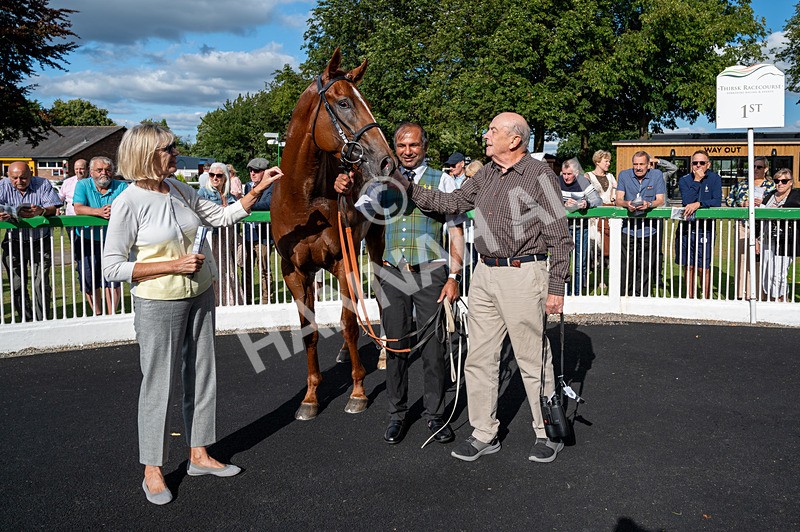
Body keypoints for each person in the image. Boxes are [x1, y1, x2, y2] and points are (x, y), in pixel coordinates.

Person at [339, 113, 573, 463]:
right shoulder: (487, 174)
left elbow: (560, 235)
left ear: (514, 140)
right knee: (478, 358)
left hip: (523, 273)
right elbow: (451, 204)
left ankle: (546, 432)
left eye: (493, 130)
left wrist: (556, 287)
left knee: (531, 358)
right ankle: (483, 432)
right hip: (484, 274)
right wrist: (410, 187)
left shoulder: (540, 176)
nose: (486, 135)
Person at [102, 124, 282, 505]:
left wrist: (259, 187)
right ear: (148, 154)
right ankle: (153, 469)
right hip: (157, 301)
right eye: (168, 148)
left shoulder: (181, 190)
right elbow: (112, 268)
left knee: (203, 374)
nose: (175, 152)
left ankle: (199, 454)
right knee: (158, 383)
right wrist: (172, 266)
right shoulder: (128, 202)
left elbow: (220, 217)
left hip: (199, 294)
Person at [337, 122, 465, 446]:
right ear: (395, 149)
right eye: (403, 146)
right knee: (394, 346)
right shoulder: (380, 184)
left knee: (434, 348)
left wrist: (454, 276)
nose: (408, 151)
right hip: (392, 273)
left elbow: (456, 232)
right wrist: (342, 192)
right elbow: (354, 220)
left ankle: (435, 415)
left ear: (424, 146)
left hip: (431, 272)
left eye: (414, 145)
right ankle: (397, 414)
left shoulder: (444, 180)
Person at [0, 161, 62, 322]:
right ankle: (25, 320)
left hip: (40, 240)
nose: (19, 181)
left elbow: (53, 207)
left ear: (31, 174)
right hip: (14, 240)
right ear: (8, 176)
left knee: (41, 284)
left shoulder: (42, 183)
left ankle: (42, 320)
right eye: (15, 178)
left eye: (23, 177)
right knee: (17, 284)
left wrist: (41, 210)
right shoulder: (3, 185)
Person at [72, 157, 128, 315]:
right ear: (91, 172)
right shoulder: (82, 184)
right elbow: (78, 208)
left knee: (113, 278)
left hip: (113, 239)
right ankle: (97, 313)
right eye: (99, 170)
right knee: (88, 277)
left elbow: (129, 207)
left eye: (108, 170)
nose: (104, 173)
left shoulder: (122, 186)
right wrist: (99, 212)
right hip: (86, 239)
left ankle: (111, 314)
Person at [616, 151, 666, 297]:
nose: (638, 167)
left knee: (645, 264)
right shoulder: (624, 175)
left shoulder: (656, 175)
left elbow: (660, 199)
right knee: (626, 264)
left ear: (648, 165)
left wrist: (648, 204)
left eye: (641, 164)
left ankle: (642, 296)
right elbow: (618, 199)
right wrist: (627, 203)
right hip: (628, 228)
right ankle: (624, 295)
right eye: (635, 164)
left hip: (649, 228)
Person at [726, 156, 775, 299]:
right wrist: (741, 204)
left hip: (763, 227)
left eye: (759, 167)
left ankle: (760, 293)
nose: (755, 169)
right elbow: (729, 200)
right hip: (743, 225)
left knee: (760, 259)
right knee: (741, 258)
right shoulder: (742, 185)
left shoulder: (771, 186)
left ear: (765, 169)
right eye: (752, 166)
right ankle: (742, 293)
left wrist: (763, 203)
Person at [676, 150, 722, 299]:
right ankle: (690, 297)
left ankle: (705, 298)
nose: (698, 166)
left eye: (702, 163)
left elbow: (716, 201)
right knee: (689, 266)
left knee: (704, 267)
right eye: (695, 163)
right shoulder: (684, 180)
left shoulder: (715, 178)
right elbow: (686, 201)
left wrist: (699, 204)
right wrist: (696, 181)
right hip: (686, 229)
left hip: (706, 229)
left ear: (708, 164)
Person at [198, 162, 244, 306]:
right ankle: (214, 301)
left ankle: (230, 300)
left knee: (228, 269)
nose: (215, 178)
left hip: (227, 237)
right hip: (211, 238)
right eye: (212, 175)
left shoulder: (229, 196)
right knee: (213, 269)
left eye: (219, 175)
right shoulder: (203, 193)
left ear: (225, 178)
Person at [560, 158, 602, 296]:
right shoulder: (557, 181)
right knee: (563, 262)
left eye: (569, 174)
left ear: (576, 174)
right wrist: (563, 204)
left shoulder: (584, 182)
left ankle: (576, 293)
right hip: (563, 229)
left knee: (580, 263)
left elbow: (598, 200)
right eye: (564, 174)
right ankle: (563, 293)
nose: (566, 177)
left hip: (580, 227)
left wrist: (585, 203)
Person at [756, 169, 799, 301]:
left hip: (785, 241)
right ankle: (771, 298)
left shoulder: (796, 195)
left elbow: (792, 207)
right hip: (767, 240)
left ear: (790, 182)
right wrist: (757, 239)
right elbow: (759, 219)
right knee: (766, 273)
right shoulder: (769, 196)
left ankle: (781, 299)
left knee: (779, 273)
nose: (780, 184)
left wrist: (776, 210)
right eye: (777, 181)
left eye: (784, 181)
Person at [238, 157, 274, 304]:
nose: (252, 173)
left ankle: (266, 300)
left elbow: (268, 204)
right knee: (246, 269)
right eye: (251, 170)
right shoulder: (247, 186)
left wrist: (246, 204)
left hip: (263, 236)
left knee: (264, 268)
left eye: (257, 171)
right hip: (248, 234)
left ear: (264, 172)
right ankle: (247, 299)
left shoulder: (271, 186)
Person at [585, 150, 617, 267]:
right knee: (595, 246)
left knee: (609, 246)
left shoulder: (611, 176)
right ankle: (595, 276)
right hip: (594, 217)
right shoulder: (588, 176)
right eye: (606, 161)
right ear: (597, 161)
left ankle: (606, 276)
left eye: (609, 161)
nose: (608, 163)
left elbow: (615, 191)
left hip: (609, 215)